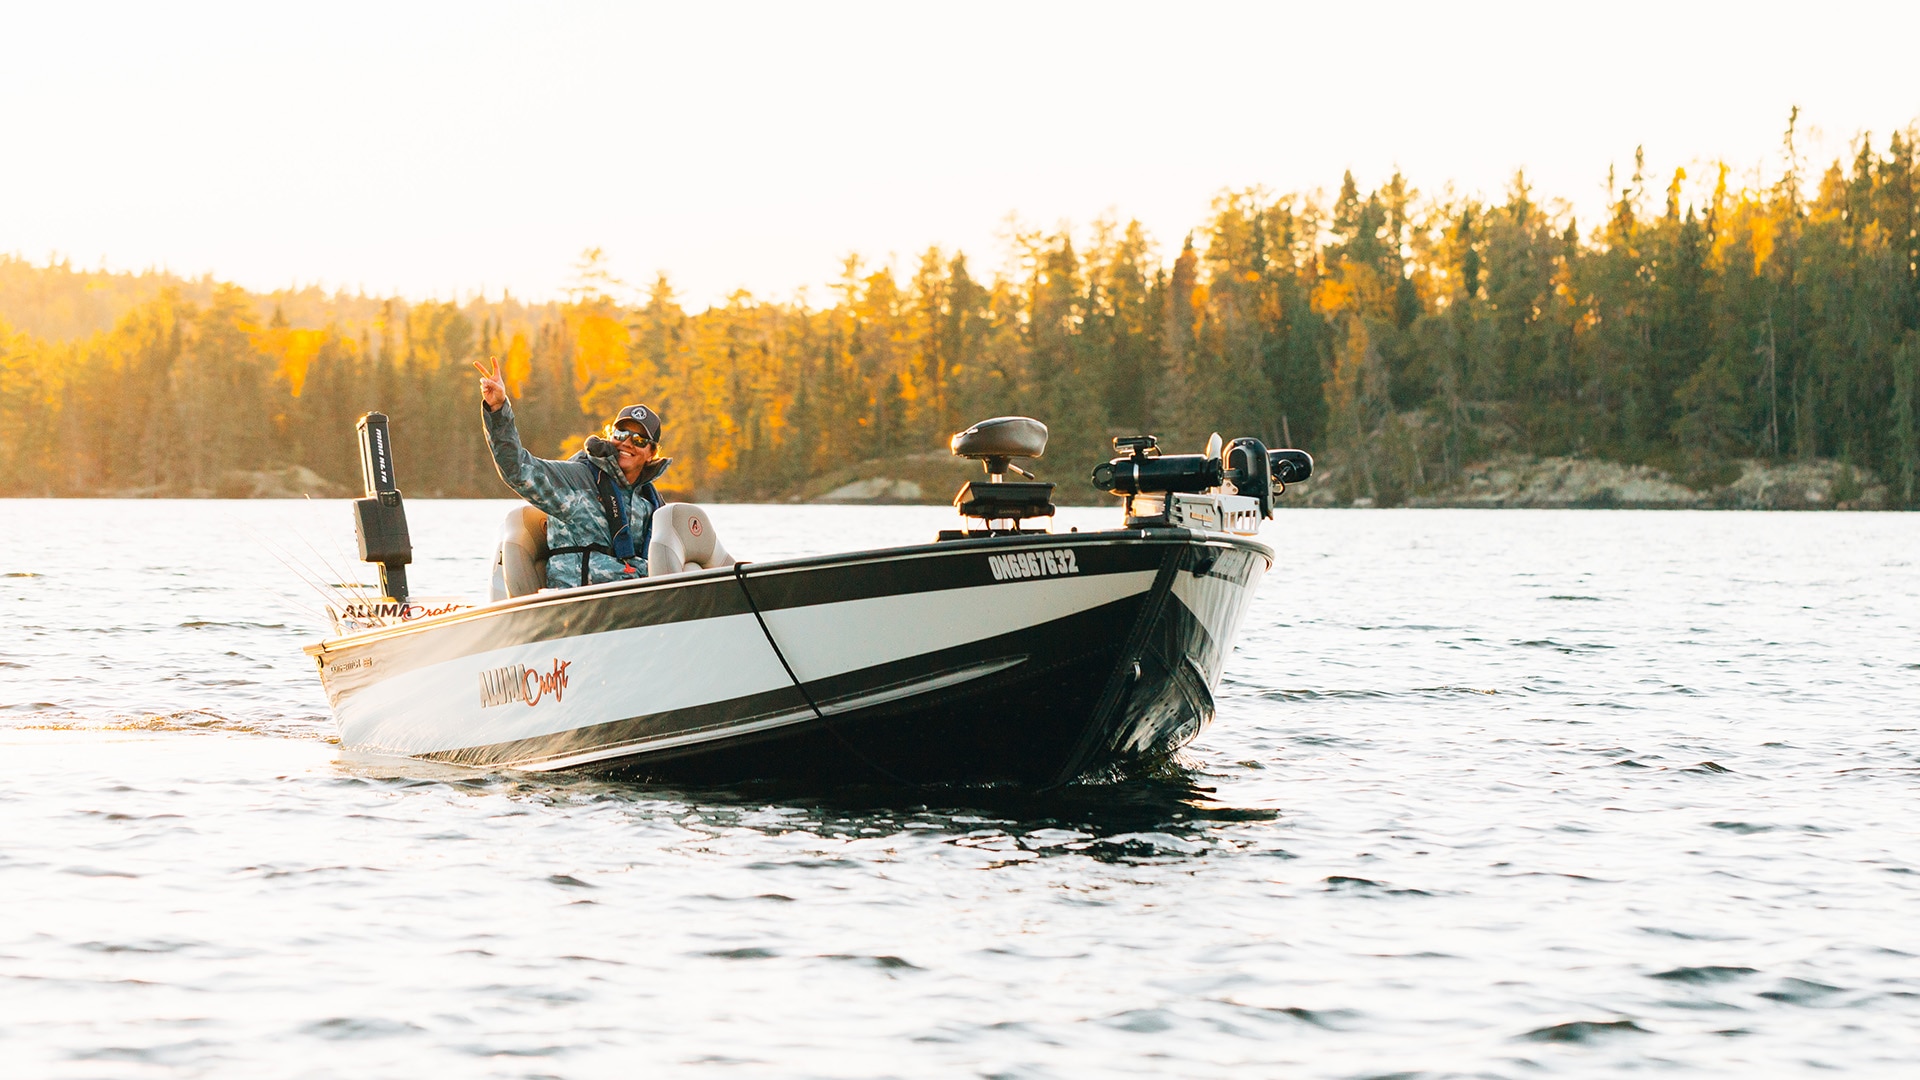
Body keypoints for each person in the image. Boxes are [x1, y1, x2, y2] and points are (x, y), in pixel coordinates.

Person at [473, 356, 671, 588]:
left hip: (638, 599)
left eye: (638, 440)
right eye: (620, 435)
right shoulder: (575, 479)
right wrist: (498, 409)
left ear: (651, 453)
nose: (627, 443)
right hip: (577, 604)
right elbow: (516, 469)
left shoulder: (652, 502)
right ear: (610, 437)